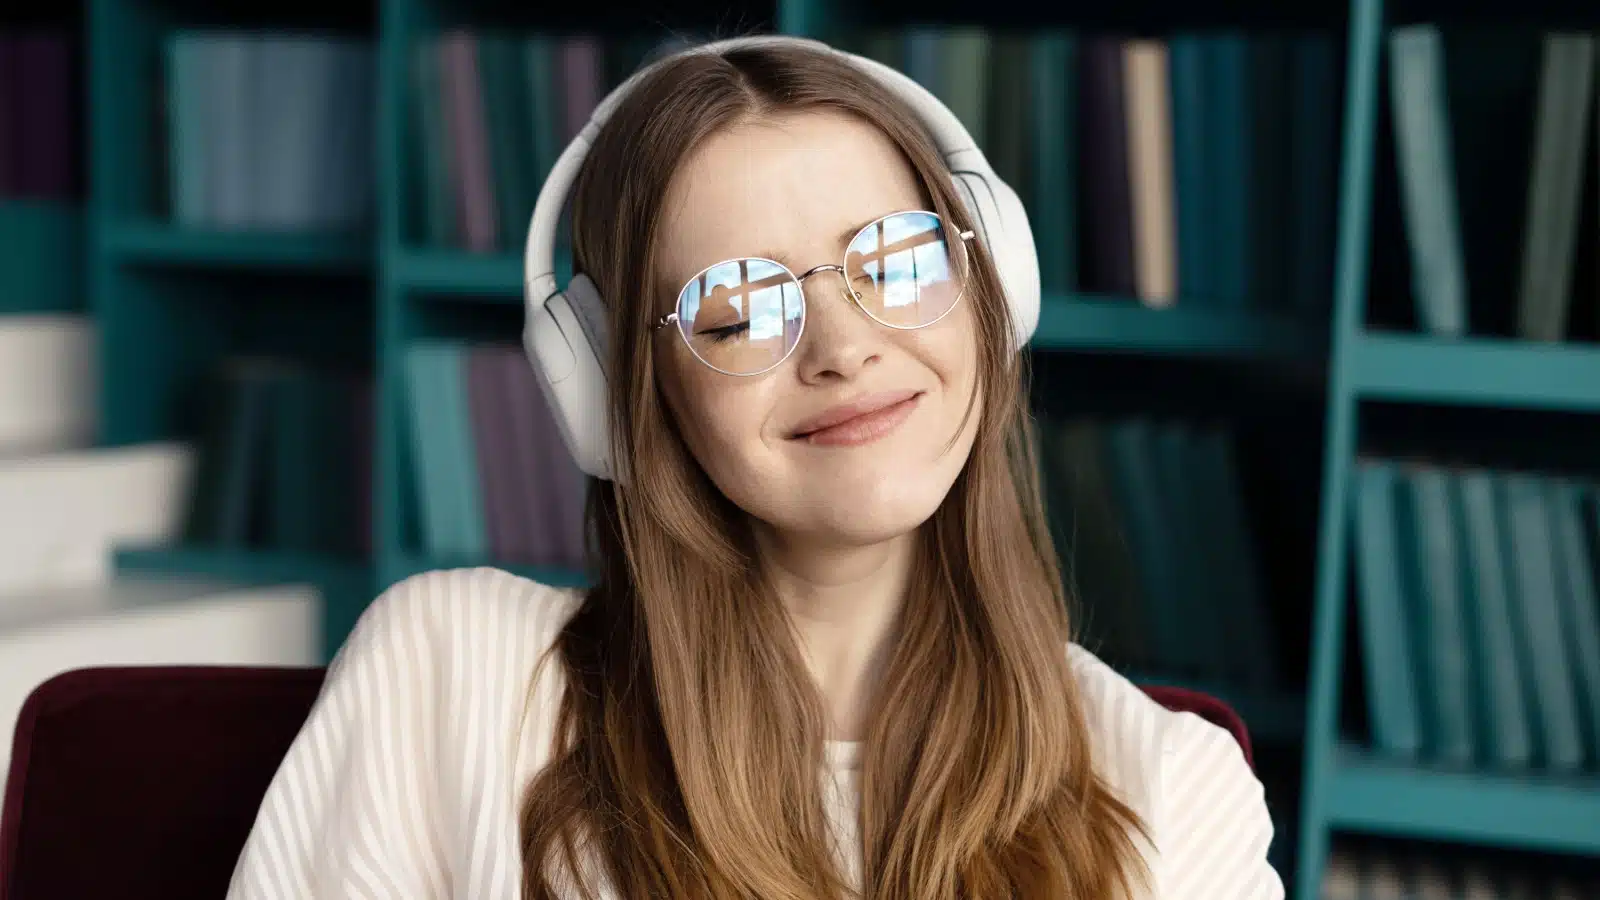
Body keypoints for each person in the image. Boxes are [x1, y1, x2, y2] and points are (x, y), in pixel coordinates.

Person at [227, 34, 1281, 900]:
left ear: (990, 286)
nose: (843, 347)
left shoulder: (1173, 792)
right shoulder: (449, 677)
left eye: (897, 261)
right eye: (736, 312)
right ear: (618, 393)